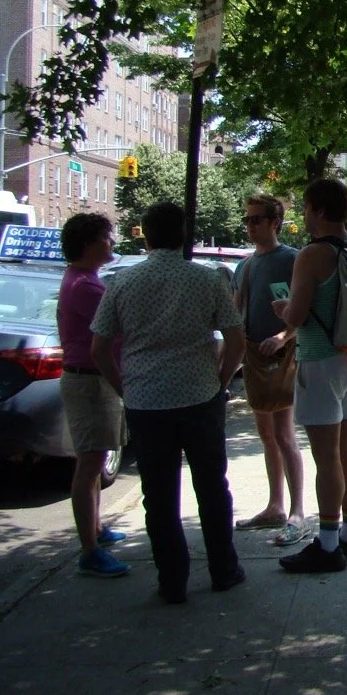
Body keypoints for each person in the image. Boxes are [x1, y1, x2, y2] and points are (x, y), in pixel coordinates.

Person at [90, 202, 246, 604]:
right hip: (199, 397)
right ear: (183, 234)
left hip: (146, 402)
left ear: (146, 235)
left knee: (159, 496)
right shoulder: (207, 279)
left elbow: (99, 348)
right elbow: (236, 339)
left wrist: (124, 387)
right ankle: (224, 570)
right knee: (212, 487)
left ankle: (172, 581)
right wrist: (221, 381)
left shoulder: (122, 282)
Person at [272, 178, 347, 573]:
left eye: (307, 206)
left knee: (326, 456)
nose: (304, 213)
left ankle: (328, 546)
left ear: (320, 210)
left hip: (320, 359)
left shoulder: (312, 254)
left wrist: (283, 307)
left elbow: (296, 317)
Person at [232, 193, 307, 547]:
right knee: (266, 435)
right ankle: (275, 506)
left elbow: (305, 310)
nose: (250, 225)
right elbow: (236, 312)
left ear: (275, 223)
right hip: (254, 356)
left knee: (284, 434)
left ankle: (297, 512)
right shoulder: (245, 266)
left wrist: (282, 336)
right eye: (247, 219)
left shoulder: (292, 259)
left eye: (256, 219)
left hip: (284, 356)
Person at [58, 213, 129, 578]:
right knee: (88, 465)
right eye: (106, 236)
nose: (112, 242)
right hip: (88, 382)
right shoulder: (85, 287)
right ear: (88, 243)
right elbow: (122, 324)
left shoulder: (84, 279)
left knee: (96, 459)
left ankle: (97, 530)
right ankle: (89, 551)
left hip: (92, 380)